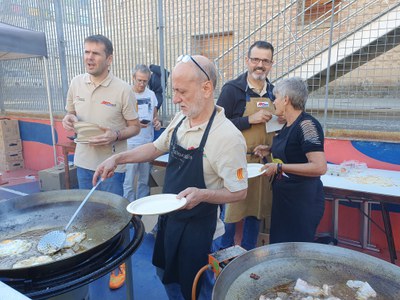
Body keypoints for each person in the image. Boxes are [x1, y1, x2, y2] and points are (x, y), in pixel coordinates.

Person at [93, 55, 248, 300]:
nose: (175, 99)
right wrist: (118, 158)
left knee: (197, 291)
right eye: (173, 91)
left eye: (181, 91)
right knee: (164, 274)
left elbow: (239, 191)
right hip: (170, 221)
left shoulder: (227, 137)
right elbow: (155, 148)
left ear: (206, 88)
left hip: (202, 232)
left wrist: (204, 194)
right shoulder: (181, 119)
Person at [61, 34, 140, 290]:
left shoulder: (123, 89)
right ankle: (94, 257)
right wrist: (68, 119)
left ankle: (118, 263)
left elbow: (135, 127)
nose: (89, 57)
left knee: (114, 217)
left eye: (95, 53)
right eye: (86, 52)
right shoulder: (76, 83)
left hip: (111, 166)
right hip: (83, 162)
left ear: (109, 58)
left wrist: (114, 134)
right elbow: (70, 112)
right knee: (88, 216)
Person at [216, 40, 276, 250]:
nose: (260, 65)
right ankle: (224, 255)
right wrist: (249, 120)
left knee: (255, 211)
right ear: (247, 61)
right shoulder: (232, 90)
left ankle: (249, 254)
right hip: (237, 162)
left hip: (261, 163)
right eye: (256, 59)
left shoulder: (274, 93)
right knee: (232, 212)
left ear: (271, 64)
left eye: (265, 61)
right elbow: (217, 124)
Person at [254, 77, 327, 244]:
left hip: (302, 202)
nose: (274, 101)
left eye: (276, 97)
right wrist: (269, 149)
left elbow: (319, 167)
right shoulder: (288, 124)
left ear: (286, 99)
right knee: (280, 247)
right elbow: (294, 150)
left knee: (296, 250)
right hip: (284, 199)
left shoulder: (307, 125)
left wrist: (279, 167)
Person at [123, 64, 161, 202]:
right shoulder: (126, 94)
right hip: (130, 143)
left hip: (147, 142)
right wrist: (134, 124)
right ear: (133, 78)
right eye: (139, 80)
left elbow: (155, 116)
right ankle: (128, 210)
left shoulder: (151, 95)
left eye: (145, 81)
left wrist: (157, 123)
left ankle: (142, 207)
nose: (142, 84)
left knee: (144, 180)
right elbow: (119, 120)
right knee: (129, 180)